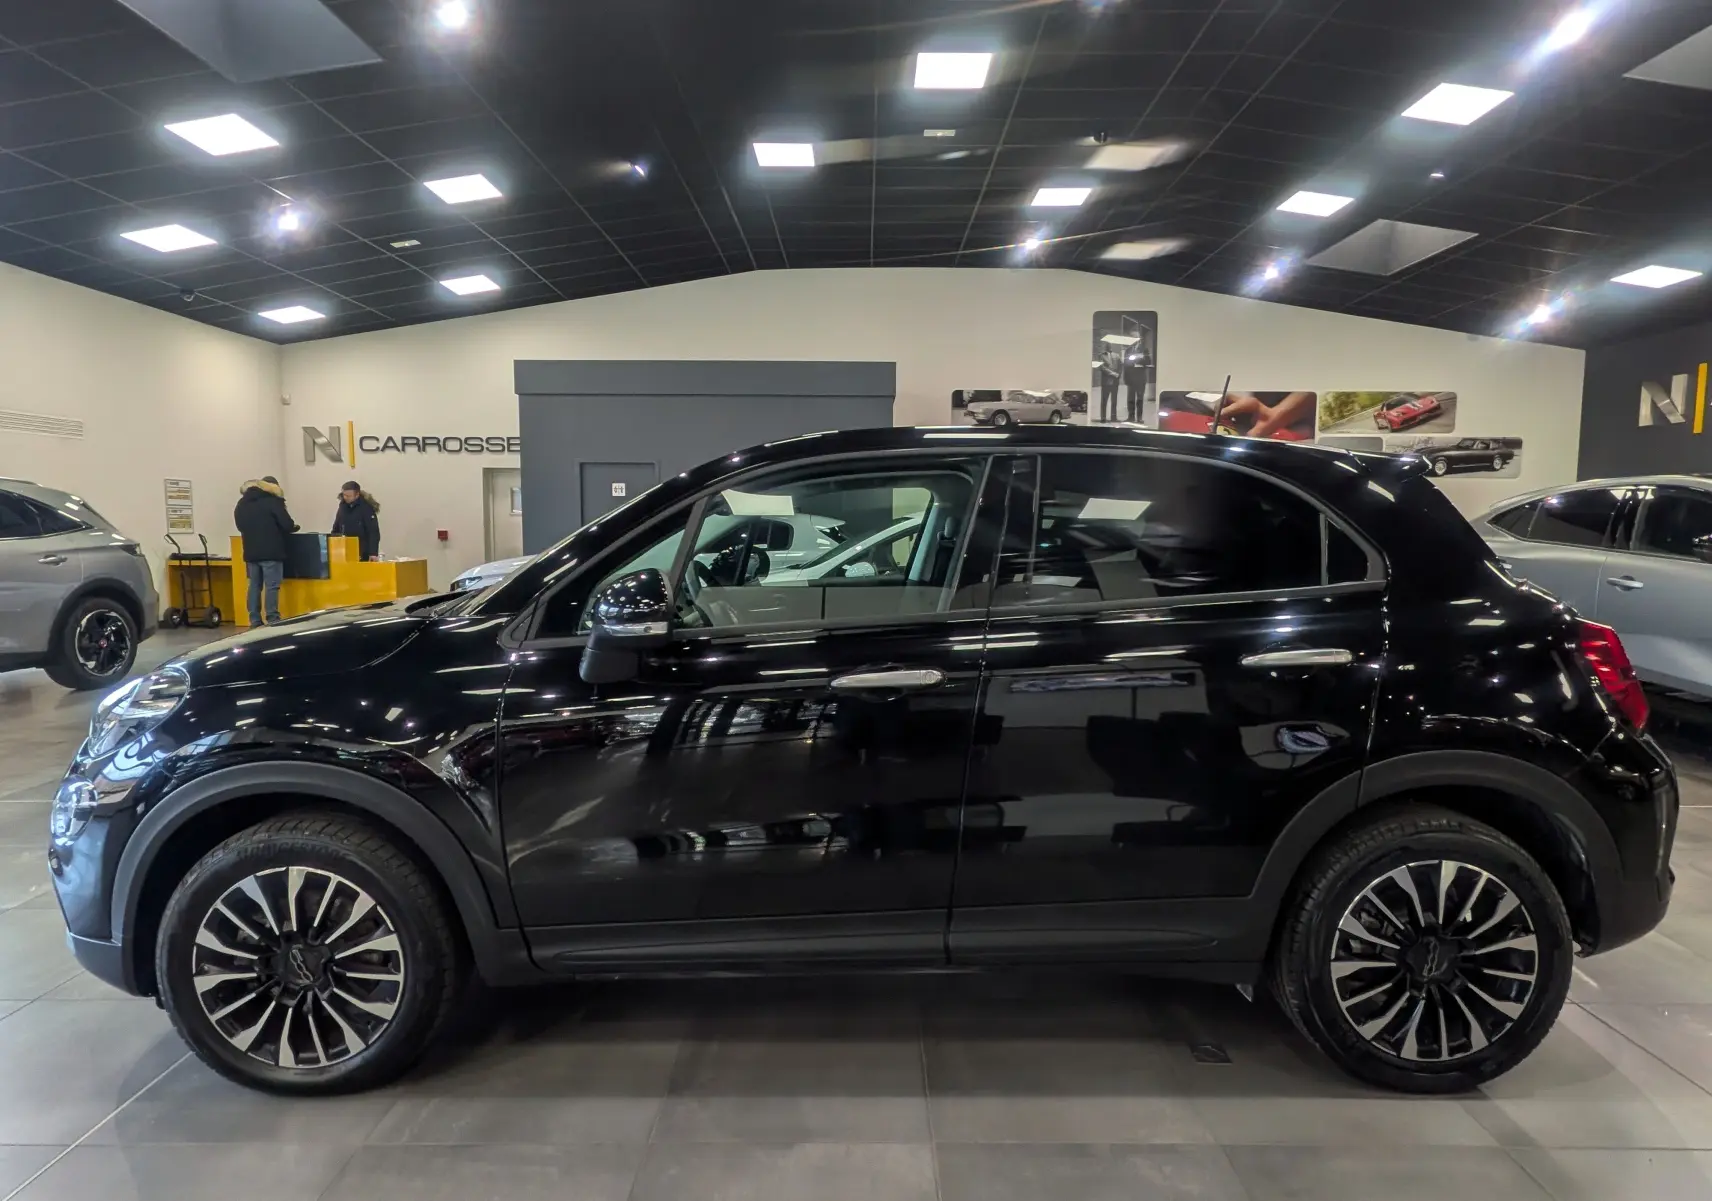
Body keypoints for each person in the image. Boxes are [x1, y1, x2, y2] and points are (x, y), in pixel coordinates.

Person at [233, 476, 297, 626]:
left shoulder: (242, 503)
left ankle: (254, 620)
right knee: (272, 586)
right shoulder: (272, 501)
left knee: (254, 586)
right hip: (271, 551)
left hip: (251, 552)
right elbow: (287, 524)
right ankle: (272, 618)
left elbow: (240, 526)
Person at [331, 481, 382, 561]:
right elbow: (336, 527)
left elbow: (373, 531)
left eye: (349, 496)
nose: (345, 498)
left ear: (357, 495)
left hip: (362, 552)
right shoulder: (342, 507)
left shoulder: (366, 508)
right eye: (344, 495)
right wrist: (332, 546)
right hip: (344, 550)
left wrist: (373, 553)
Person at [1097, 345, 1123, 422]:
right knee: (1104, 400)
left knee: (1114, 400)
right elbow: (1102, 367)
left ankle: (1113, 417)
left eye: (1110, 345)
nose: (1109, 347)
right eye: (1107, 345)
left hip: (1115, 381)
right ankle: (1103, 417)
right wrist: (1113, 373)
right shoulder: (1101, 356)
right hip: (1106, 381)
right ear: (1106, 347)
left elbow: (1121, 365)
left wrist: (1118, 374)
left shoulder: (1116, 355)